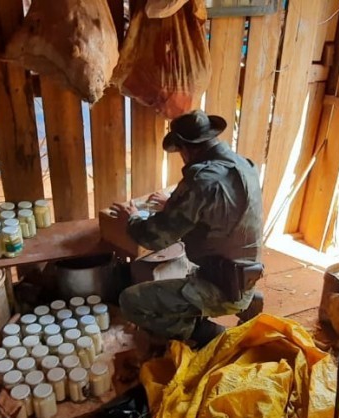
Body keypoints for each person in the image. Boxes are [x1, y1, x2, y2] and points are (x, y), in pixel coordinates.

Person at [110, 110, 264, 346]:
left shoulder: (202, 179)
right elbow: (221, 212)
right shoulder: (244, 165)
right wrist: (174, 205)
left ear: (186, 148)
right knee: (188, 273)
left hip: (221, 283)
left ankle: (200, 332)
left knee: (130, 301)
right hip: (245, 272)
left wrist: (130, 220)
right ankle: (246, 300)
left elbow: (153, 238)